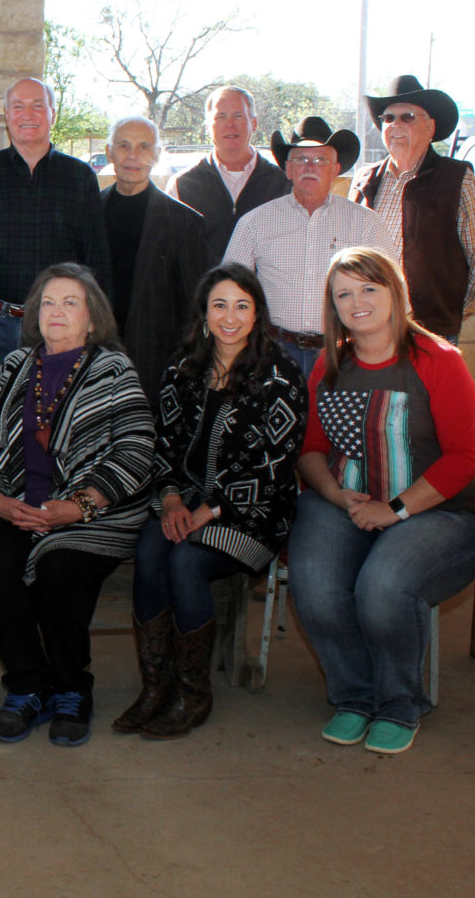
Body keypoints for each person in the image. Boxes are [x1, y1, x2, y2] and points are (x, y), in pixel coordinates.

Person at [288, 246, 475, 756]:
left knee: (383, 585)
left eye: (369, 289)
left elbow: (468, 455)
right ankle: (354, 697)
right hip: (346, 501)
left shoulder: (437, 360)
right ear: (333, 306)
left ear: (395, 292)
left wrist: (394, 509)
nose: (357, 302)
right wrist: (334, 493)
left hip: (435, 514)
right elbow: (310, 448)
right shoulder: (328, 366)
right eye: (344, 293)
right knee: (314, 584)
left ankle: (399, 703)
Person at [114, 263, 307, 740]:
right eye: (219, 304)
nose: (230, 316)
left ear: (257, 313)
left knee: (186, 563)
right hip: (186, 500)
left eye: (242, 306)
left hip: (254, 513)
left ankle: (192, 693)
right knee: (149, 550)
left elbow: (273, 467)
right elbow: (163, 447)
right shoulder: (184, 369)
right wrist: (174, 498)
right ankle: (156, 686)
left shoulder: (280, 376)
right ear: (204, 313)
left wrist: (209, 509)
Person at [0, 263, 155, 747]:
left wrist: (79, 506)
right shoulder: (14, 368)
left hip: (96, 511)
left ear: (92, 318)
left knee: (60, 565)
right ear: (34, 314)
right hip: (21, 506)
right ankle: (28, 686)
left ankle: (73, 688)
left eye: (71, 302)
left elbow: (137, 452)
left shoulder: (114, 369)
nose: (57, 311)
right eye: (48, 302)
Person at [0, 78, 110, 385]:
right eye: (19, 106)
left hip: (61, 326)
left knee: (53, 423)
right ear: (7, 116)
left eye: (38, 106)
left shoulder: (80, 177)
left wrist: (95, 327)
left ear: (53, 113)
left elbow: (96, 258)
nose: (28, 114)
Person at [224, 116, 397, 377]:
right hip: (273, 352)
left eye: (320, 160)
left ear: (335, 169)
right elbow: (229, 290)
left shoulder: (366, 223)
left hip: (344, 352)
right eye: (301, 159)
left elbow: (394, 293)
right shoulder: (254, 223)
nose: (310, 167)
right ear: (288, 169)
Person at [350, 75, 475, 342]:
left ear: (431, 128)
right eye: (388, 118)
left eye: (407, 116)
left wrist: (449, 310)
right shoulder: (366, 179)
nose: (395, 125)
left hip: (429, 331)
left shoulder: (457, 180)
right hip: (369, 327)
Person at [99, 116, 210, 399]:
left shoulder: (184, 223)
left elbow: (194, 311)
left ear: (157, 155)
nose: (133, 156)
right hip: (94, 357)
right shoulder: (89, 211)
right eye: (124, 145)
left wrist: (185, 372)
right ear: (109, 151)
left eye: (144, 147)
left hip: (154, 366)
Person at [166, 85, 291, 265]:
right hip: (203, 292)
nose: (230, 124)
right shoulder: (182, 185)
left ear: (254, 123)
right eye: (220, 117)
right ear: (208, 126)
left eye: (238, 116)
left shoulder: (282, 183)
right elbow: (170, 253)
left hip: (263, 293)